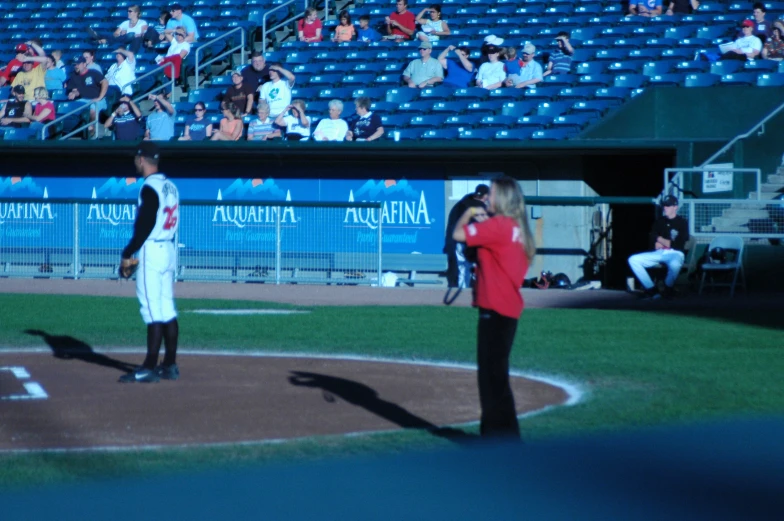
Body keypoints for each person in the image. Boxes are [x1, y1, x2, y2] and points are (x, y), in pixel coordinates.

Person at [452, 177, 536, 438]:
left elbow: (457, 234)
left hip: (495, 308)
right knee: (497, 377)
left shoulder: (499, 226)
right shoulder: (514, 227)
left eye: (491, 194)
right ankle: (505, 436)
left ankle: (495, 439)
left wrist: (468, 212)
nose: (486, 198)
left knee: (490, 380)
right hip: (507, 308)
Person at [119, 142, 181, 384]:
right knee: (167, 308)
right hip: (168, 248)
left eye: (137, 158)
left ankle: (149, 366)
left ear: (142, 159)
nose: (136, 161)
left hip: (152, 249)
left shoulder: (149, 186)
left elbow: (144, 224)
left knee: (152, 310)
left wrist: (128, 252)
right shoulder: (171, 186)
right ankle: (170, 364)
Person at [627, 195, 690, 300]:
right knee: (633, 259)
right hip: (659, 253)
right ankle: (652, 290)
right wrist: (664, 242)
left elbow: (678, 244)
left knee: (675, 265)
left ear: (675, 207)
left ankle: (667, 289)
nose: (665, 208)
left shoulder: (682, 222)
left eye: (668, 205)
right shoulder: (660, 221)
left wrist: (660, 240)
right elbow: (652, 239)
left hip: (675, 253)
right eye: (664, 205)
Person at [444, 184, 489, 289]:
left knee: (463, 270)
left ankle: (463, 292)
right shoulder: (480, 207)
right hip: (473, 243)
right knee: (474, 268)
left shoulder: (462, 203)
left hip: (460, 241)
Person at [66, 56, 108, 131]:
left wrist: (100, 98)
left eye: (78, 64)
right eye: (75, 64)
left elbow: (105, 82)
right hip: (83, 99)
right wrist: (73, 94)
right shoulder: (74, 76)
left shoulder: (93, 72)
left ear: (84, 64)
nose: (76, 66)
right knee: (71, 108)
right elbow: (75, 90)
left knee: (92, 110)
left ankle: (91, 129)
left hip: (96, 99)